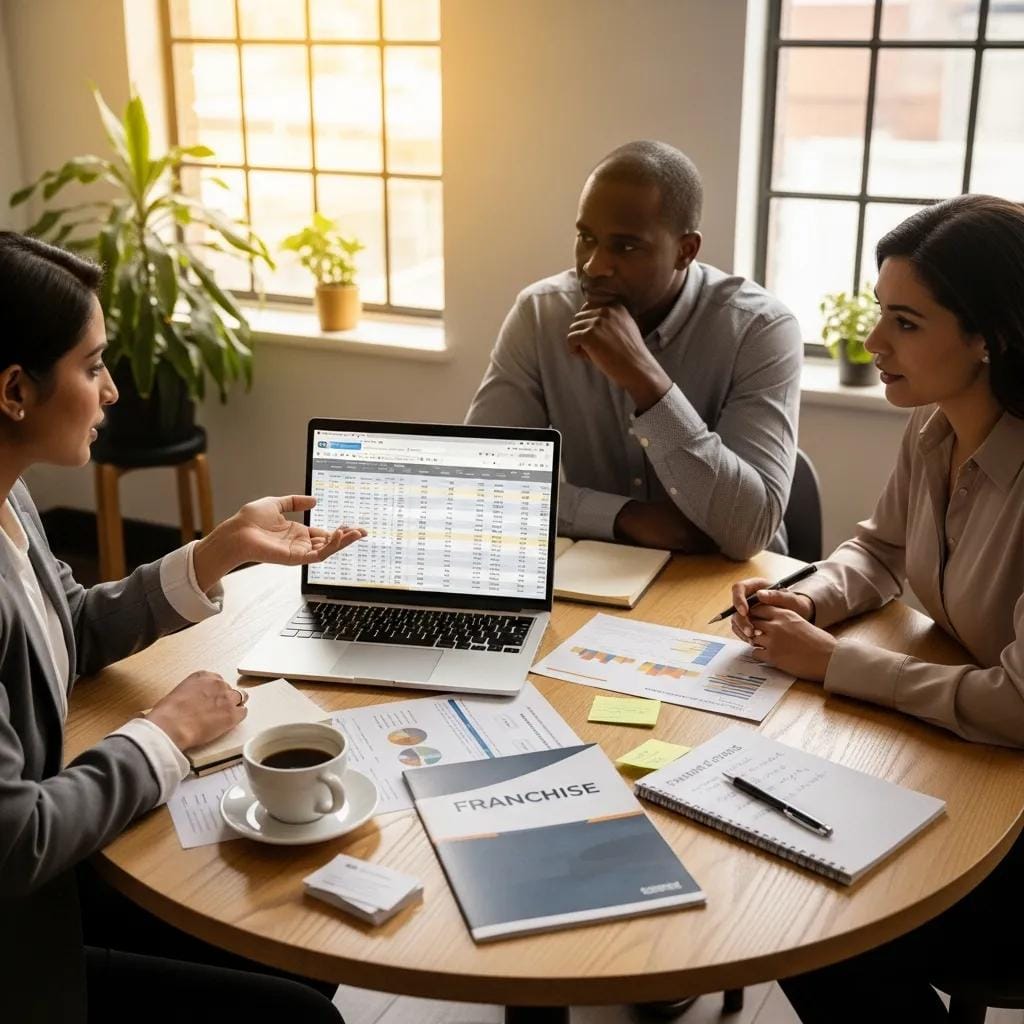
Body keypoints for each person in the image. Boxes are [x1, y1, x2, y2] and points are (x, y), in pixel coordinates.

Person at [0, 231, 366, 1023]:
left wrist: (221, 549)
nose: (113, 393)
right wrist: (163, 733)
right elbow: (16, 841)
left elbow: (69, 626)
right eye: (93, 366)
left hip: (56, 891)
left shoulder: (10, 492)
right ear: (14, 392)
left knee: (299, 929)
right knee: (301, 1012)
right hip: (21, 947)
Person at [727, 195, 1024, 1021]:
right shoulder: (934, 428)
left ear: (989, 336)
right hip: (965, 764)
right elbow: (881, 550)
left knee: (806, 913)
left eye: (905, 321)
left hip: (1014, 826)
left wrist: (835, 664)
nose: (873, 342)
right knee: (779, 849)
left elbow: (1018, 702)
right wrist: (806, 598)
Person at [465, 140, 803, 559]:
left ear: (685, 250)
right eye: (586, 238)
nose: (593, 266)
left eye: (624, 247)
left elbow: (750, 530)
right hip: (602, 568)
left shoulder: (761, 330)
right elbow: (481, 478)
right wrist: (624, 517)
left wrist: (648, 381)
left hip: (730, 588)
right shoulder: (541, 314)